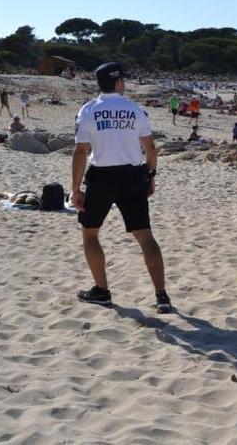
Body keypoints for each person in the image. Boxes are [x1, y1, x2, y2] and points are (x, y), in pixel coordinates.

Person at [71, 62, 171, 314]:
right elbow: (150, 149)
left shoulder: (88, 110)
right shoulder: (134, 109)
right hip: (131, 177)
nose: (125, 84)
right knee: (145, 236)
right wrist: (150, 176)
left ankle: (102, 289)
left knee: (90, 233)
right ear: (117, 83)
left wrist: (75, 187)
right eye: (123, 80)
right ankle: (161, 296)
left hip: (101, 178)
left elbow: (80, 150)